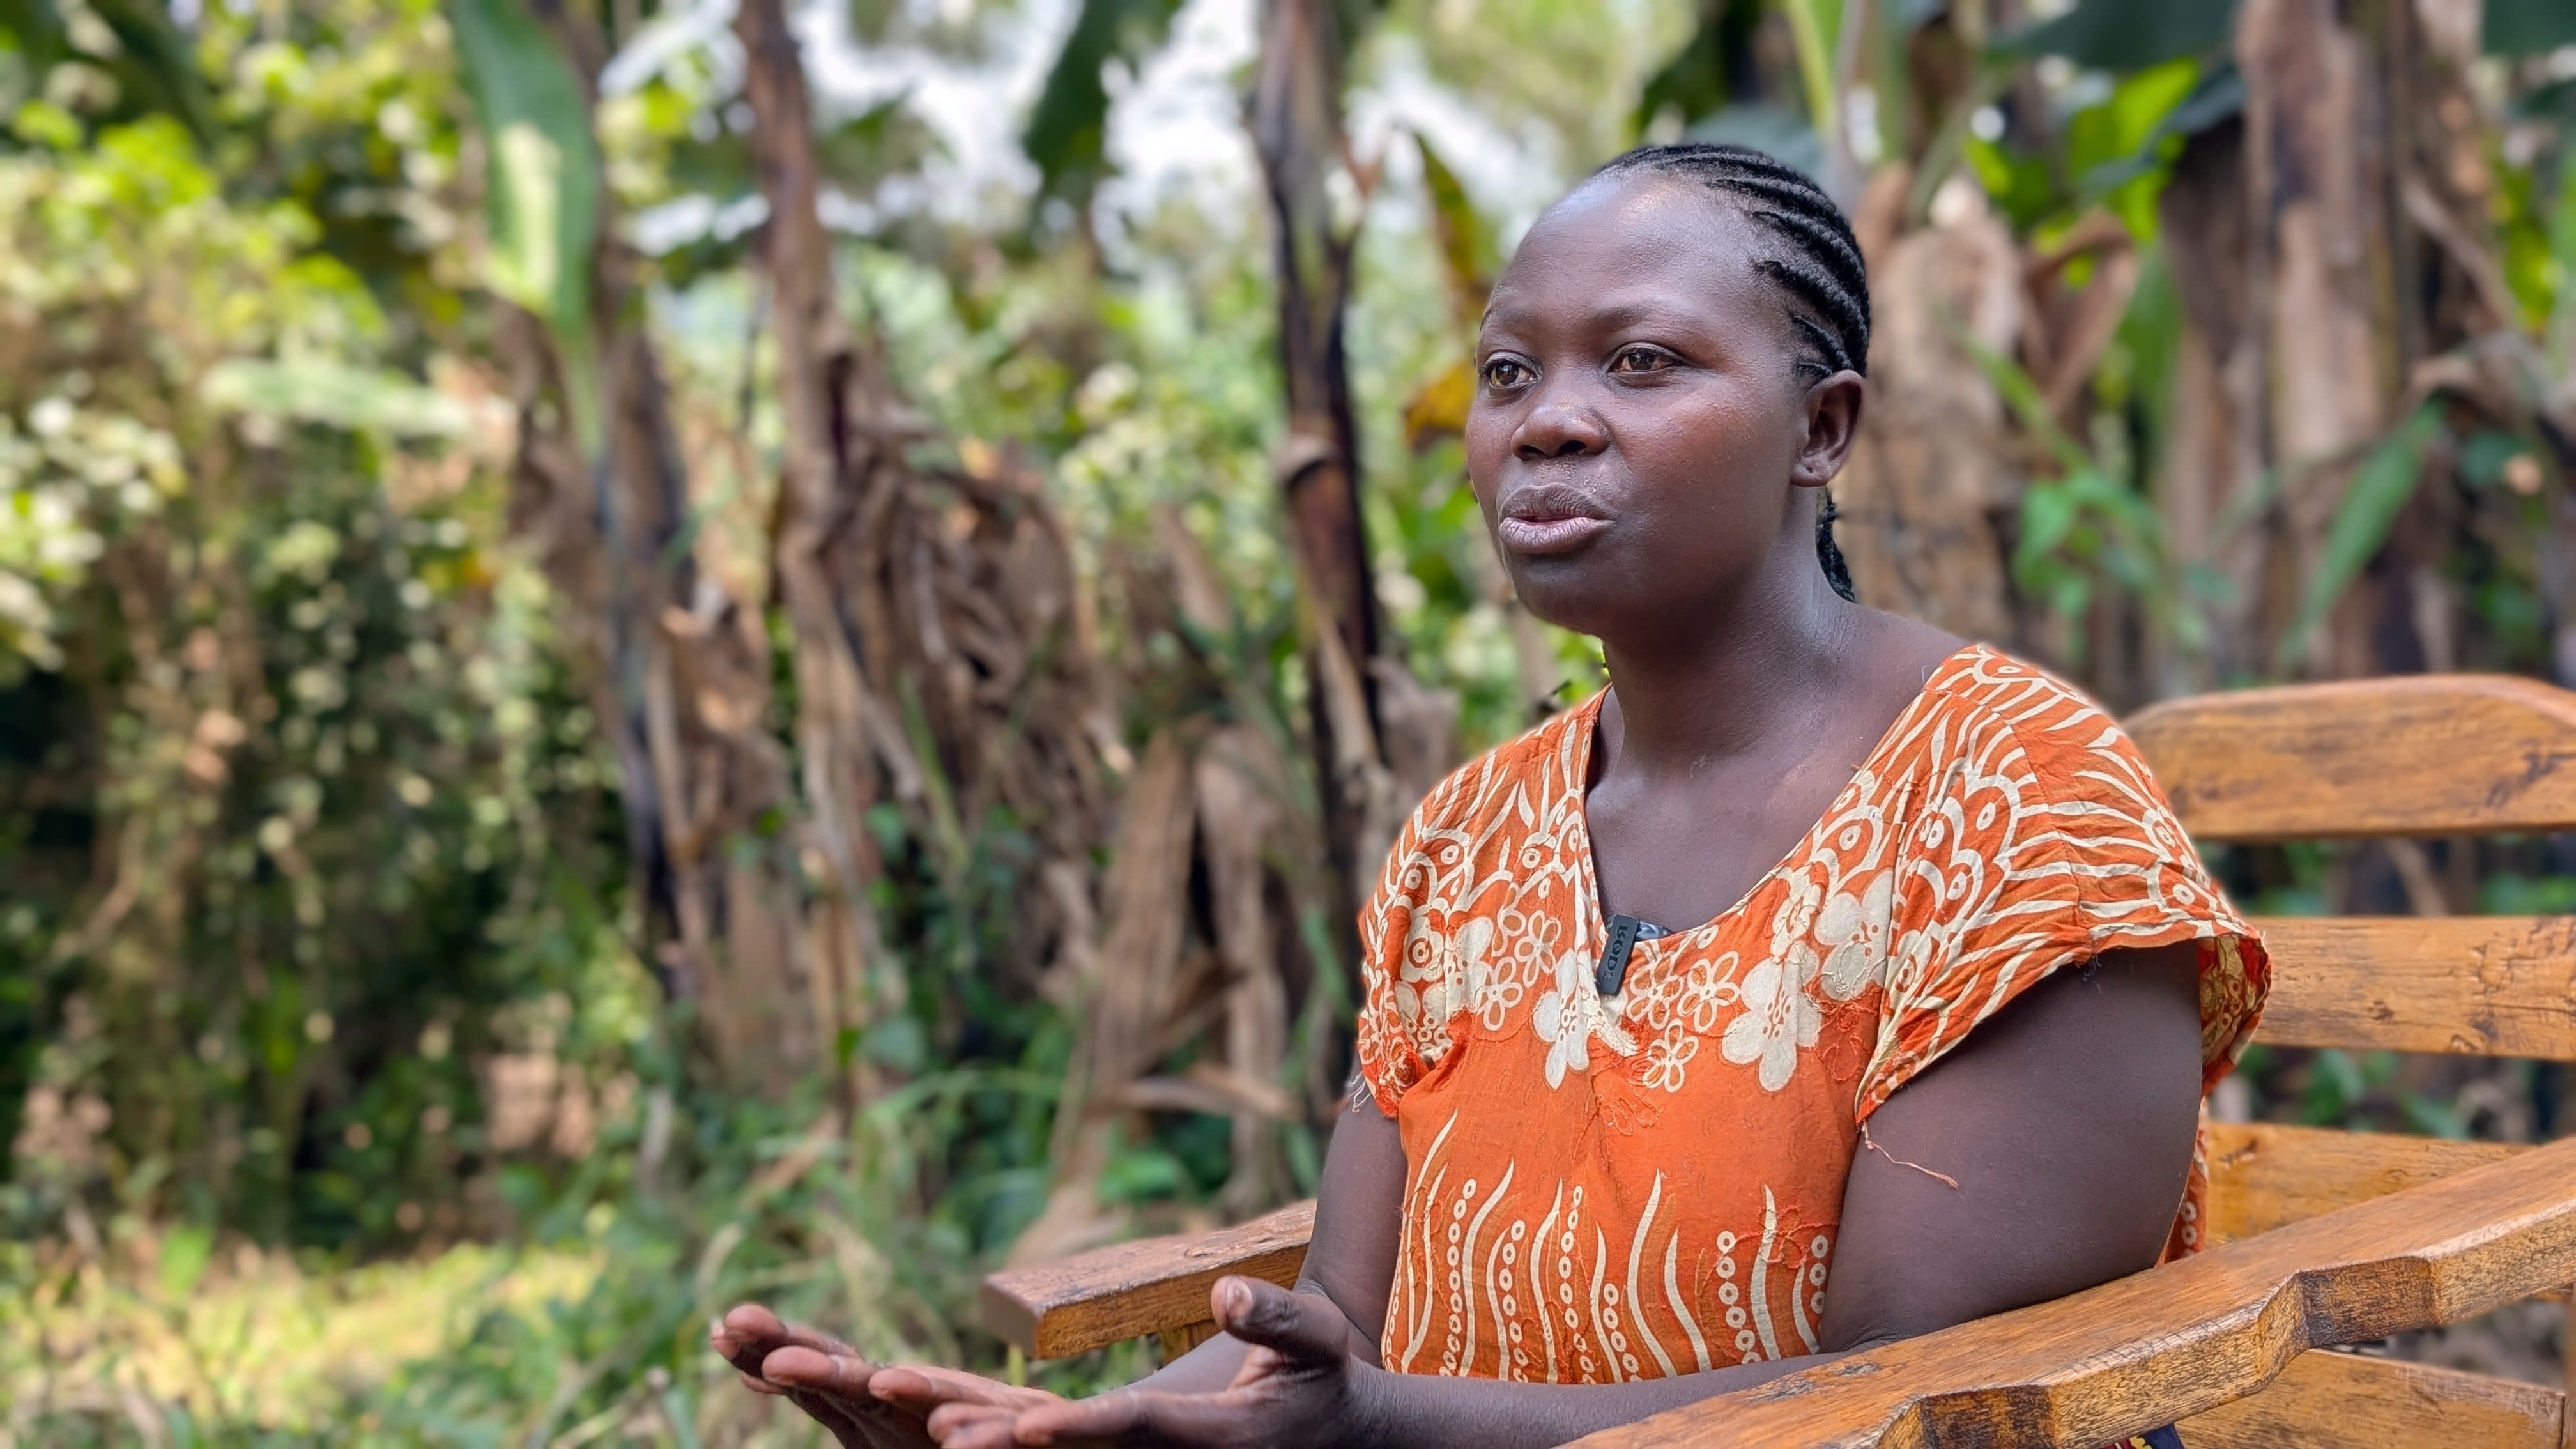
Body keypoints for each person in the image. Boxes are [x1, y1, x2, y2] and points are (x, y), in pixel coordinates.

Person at [709, 142, 2268, 1449]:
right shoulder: (1471, 836)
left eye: (1642, 361)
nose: (1548, 419)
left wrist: (1379, 1428)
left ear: (1823, 427)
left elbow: (1910, 1410)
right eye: (1510, 370)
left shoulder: (2019, 813)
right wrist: (1063, 1434)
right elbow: (1346, 1328)